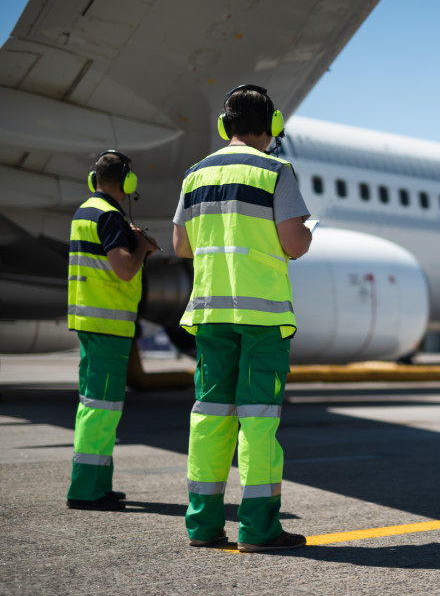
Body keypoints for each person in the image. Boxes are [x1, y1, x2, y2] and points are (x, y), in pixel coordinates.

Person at [173, 84, 312, 551]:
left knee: (209, 417)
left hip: (211, 312)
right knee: (258, 420)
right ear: (271, 126)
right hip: (262, 316)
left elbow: (181, 247)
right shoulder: (276, 170)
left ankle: (203, 527)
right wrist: (305, 235)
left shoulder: (195, 174)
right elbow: (293, 244)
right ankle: (258, 528)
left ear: (224, 125)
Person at [66, 150, 158, 510]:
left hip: (91, 321)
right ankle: (86, 491)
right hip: (108, 324)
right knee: (101, 408)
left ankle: (99, 484)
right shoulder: (110, 217)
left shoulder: (85, 211)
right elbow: (123, 269)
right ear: (127, 183)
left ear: (95, 179)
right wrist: (141, 247)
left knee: (98, 405)